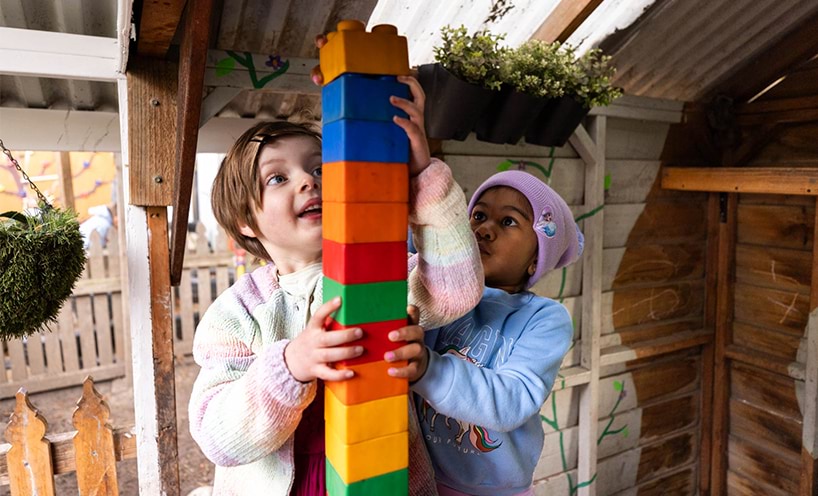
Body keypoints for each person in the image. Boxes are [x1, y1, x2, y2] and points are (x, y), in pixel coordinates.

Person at [188, 75, 483, 496]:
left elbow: (454, 289)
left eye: (319, 168)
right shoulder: (237, 313)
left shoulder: (378, 271)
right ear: (245, 221)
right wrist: (290, 366)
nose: (309, 181)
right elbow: (216, 436)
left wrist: (422, 175)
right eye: (277, 178)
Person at [409, 170, 584, 496]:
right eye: (478, 215)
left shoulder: (544, 319)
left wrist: (428, 370)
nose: (484, 229)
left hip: (493, 490)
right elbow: (416, 239)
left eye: (508, 221)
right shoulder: (437, 295)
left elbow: (513, 399)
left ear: (536, 260)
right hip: (420, 477)